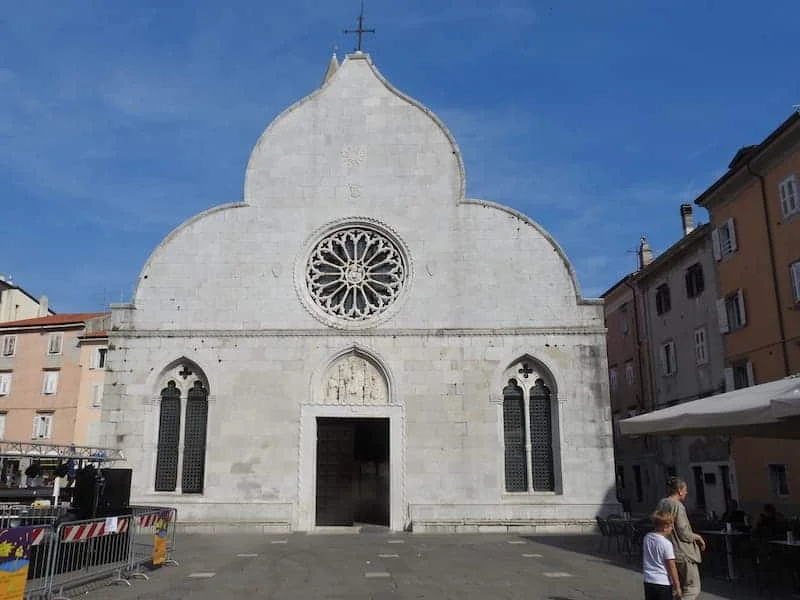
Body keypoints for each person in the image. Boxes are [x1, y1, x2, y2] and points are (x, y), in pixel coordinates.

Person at [656, 477, 706, 600]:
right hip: (683, 552)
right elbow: (683, 531)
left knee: (676, 587)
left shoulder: (662, 503)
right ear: (679, 490)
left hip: (668, 550)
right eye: (685, 490)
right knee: (692, 587)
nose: (686, 492)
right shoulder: (677, 506)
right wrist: (697, 537)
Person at [642, 510, 682, 599]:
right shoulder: (666, 544)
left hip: (648, 580)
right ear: (665, 527)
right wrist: (677, 586)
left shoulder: (647, 538)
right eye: (671, 526)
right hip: (663, 581)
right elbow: (672, 566)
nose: (672, 528)